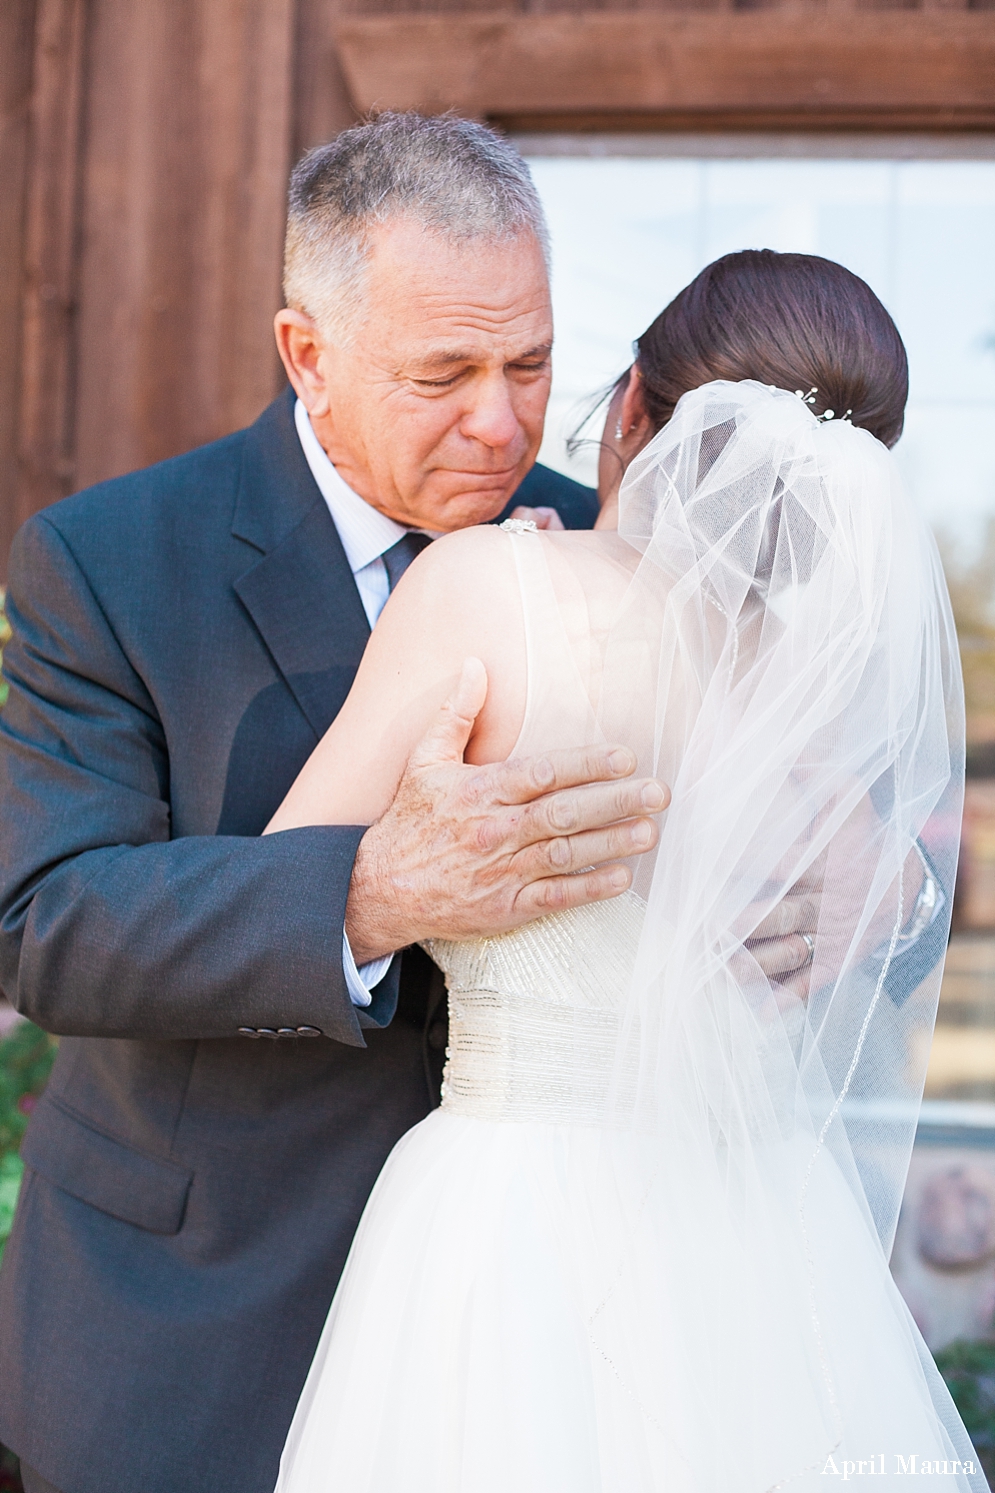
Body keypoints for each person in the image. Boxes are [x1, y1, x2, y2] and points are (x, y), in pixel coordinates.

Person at [269, 250, 977, 1491]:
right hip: (762, 1219)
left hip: (518, 1208)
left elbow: (281, 884)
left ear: (635, 408)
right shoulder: (819, 673)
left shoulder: (488, 586)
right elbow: (870, 885)